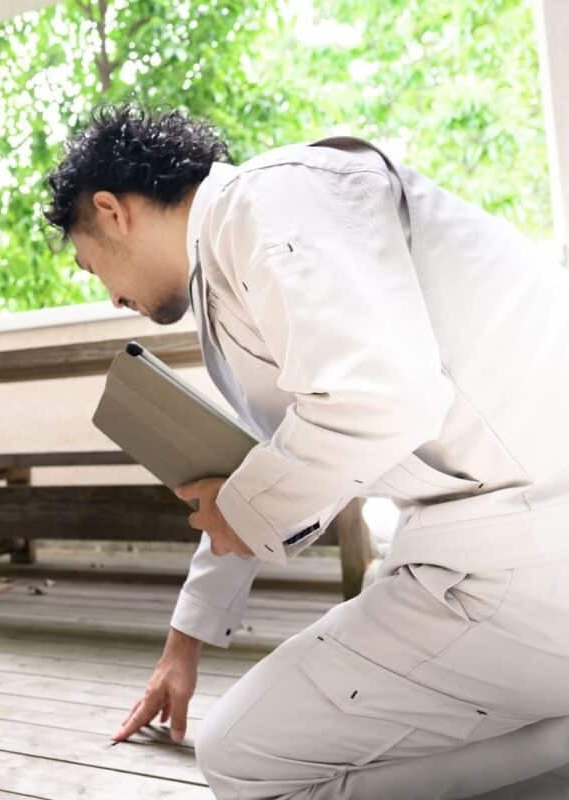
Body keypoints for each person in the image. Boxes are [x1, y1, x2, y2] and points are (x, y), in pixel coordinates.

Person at [43, 105, 569, 798]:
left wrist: (245, 506)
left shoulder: (270, 198)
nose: (109, 296)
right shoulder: (241, 262)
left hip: (528, 550)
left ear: (112, 211)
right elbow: (269, 459)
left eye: (89, 266)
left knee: (242, 758)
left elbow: (381, 399)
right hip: (502, 543)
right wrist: (184, 644)